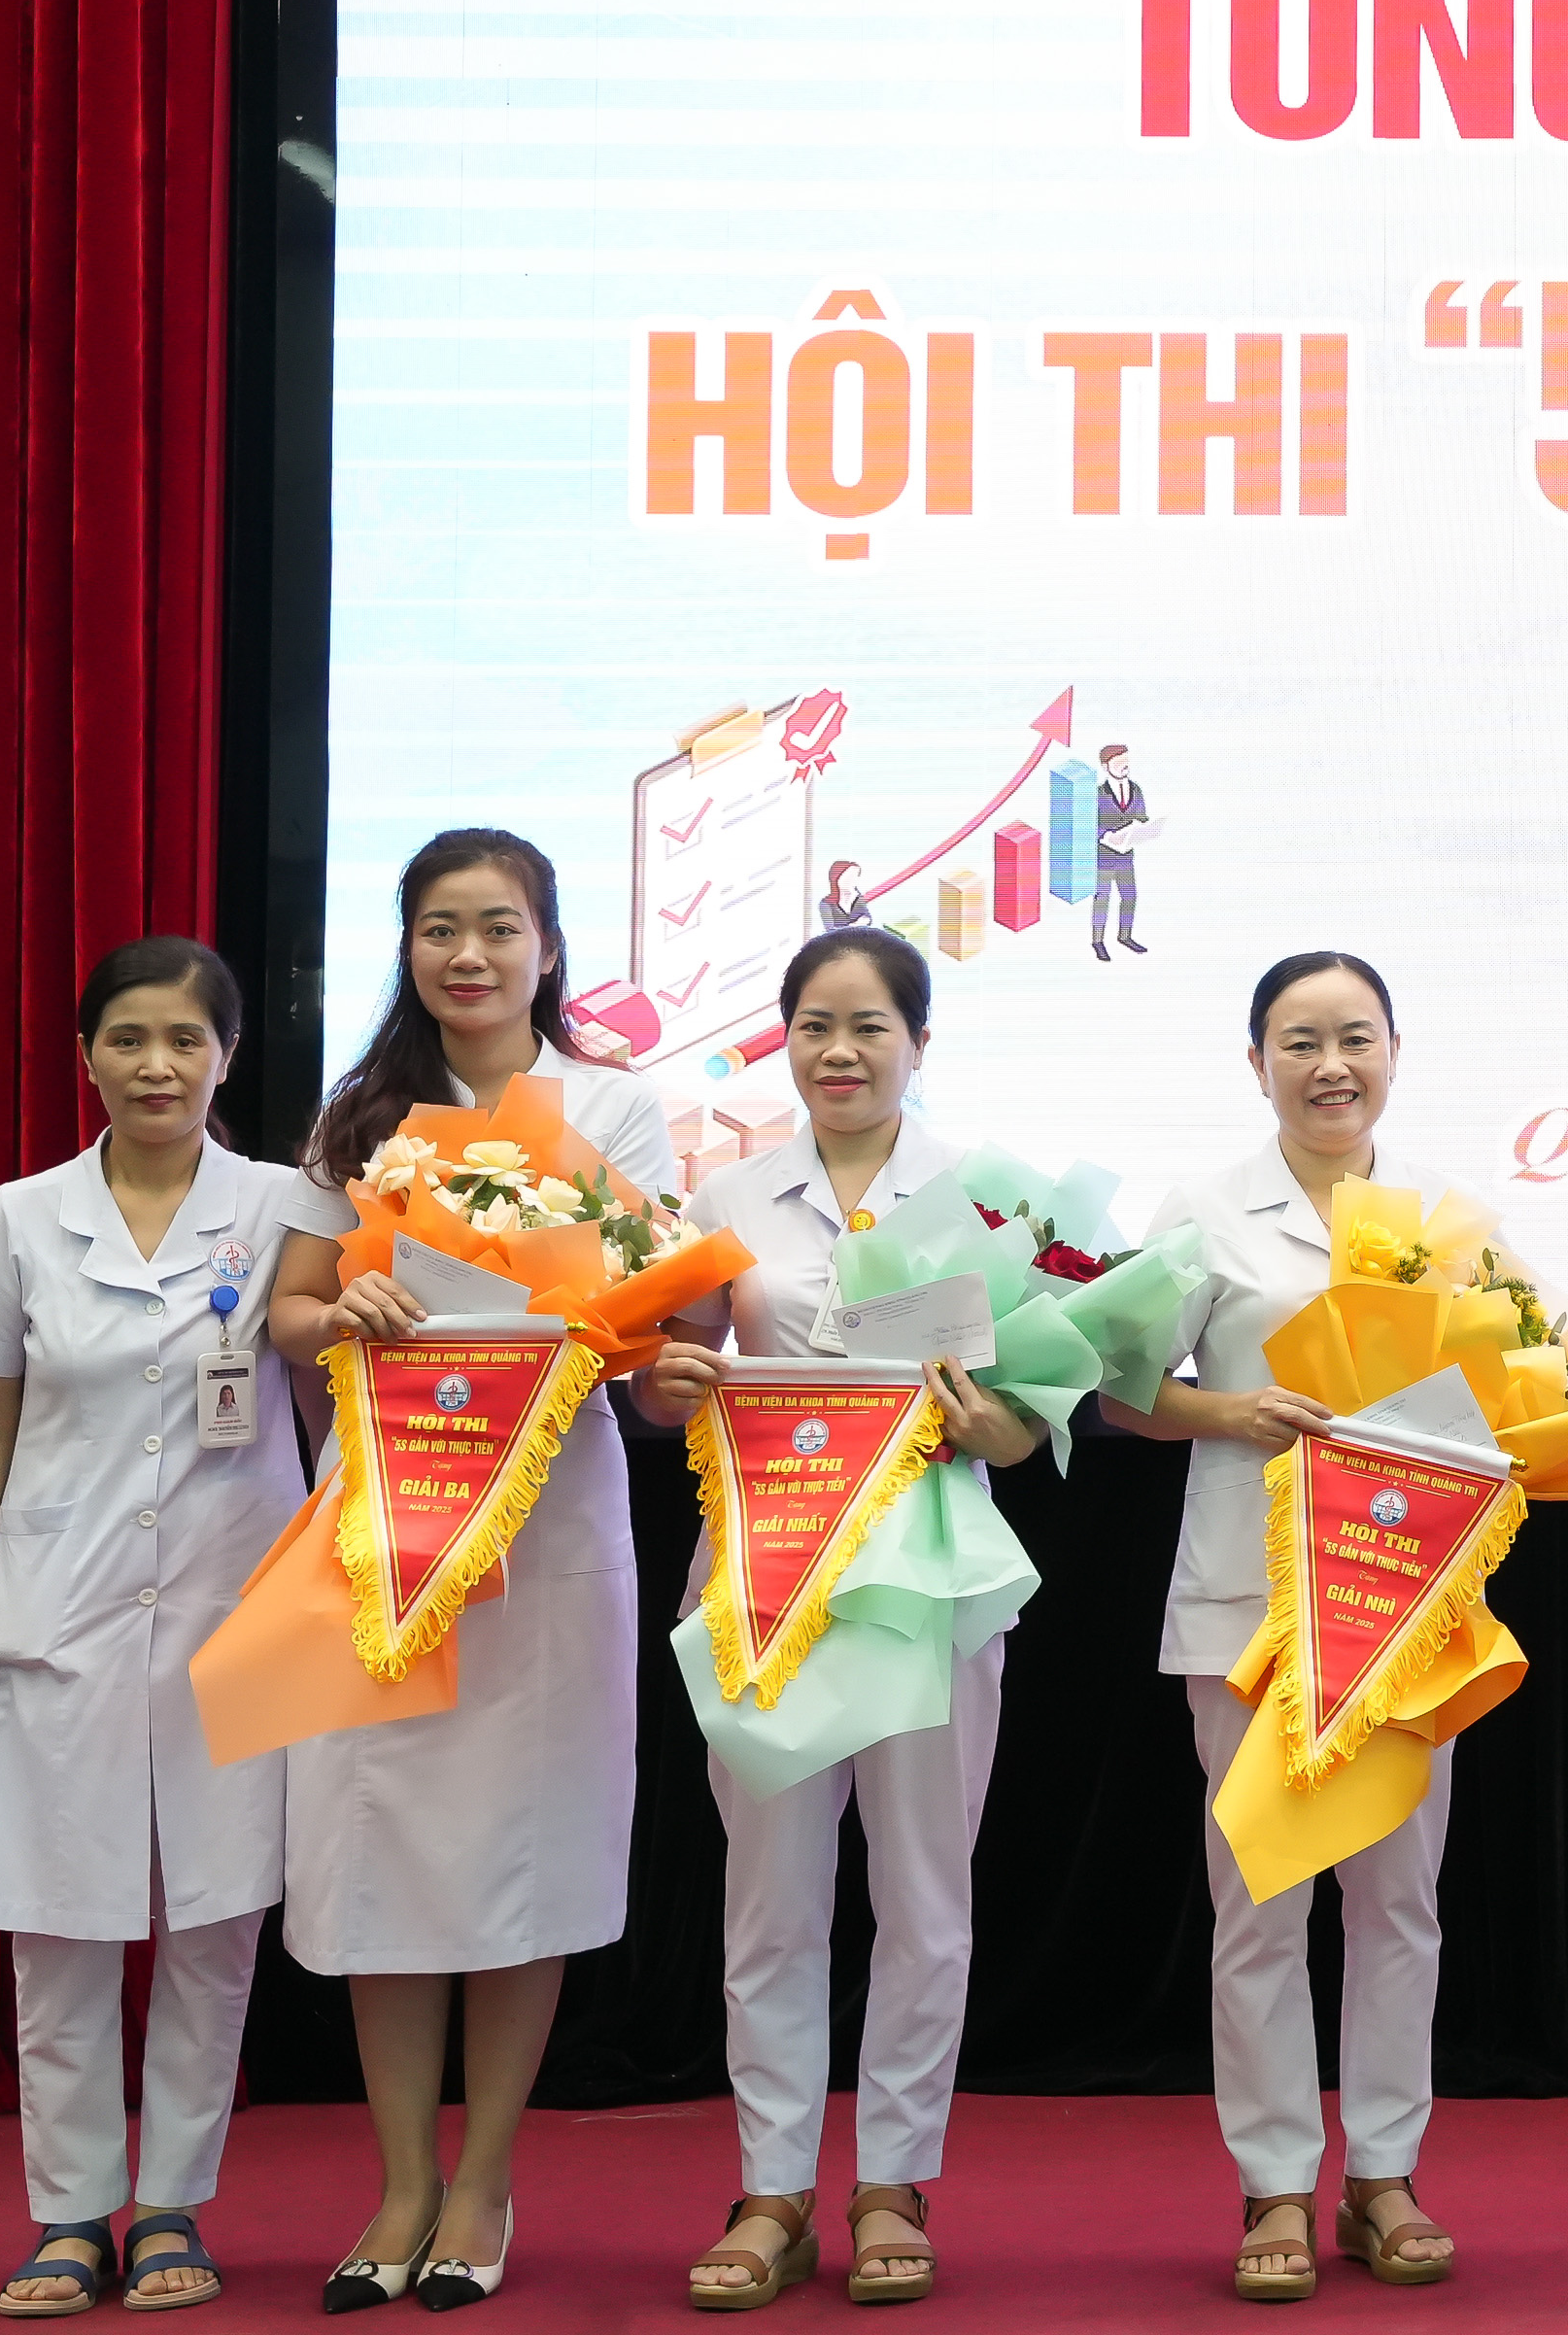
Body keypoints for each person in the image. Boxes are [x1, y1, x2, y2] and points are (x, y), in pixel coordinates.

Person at [262, 829, 682, 2314]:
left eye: (500, 927)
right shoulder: (362, 1114)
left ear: (548, 949)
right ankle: (400, 2184)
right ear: (408, 948)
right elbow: (289, 1313)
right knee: (381, 1838)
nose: (471, 956)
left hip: (548, 1525)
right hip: (386, 1510)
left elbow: (640, 1322)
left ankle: (485, 2178)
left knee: (519, 1840)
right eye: (441, 928)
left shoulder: (614, 1108)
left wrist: (571, 1314)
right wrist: (350, 1309)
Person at [649, 931, 1038, 2311]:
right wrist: (669, 1382)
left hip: (928, 1579)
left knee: (926, 1896)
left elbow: (1029, 1415)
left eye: (871, 1025)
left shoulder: (989, 1199)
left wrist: (986, 1421)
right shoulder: (727, 1192)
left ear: (919, 1042)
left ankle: (892, 2183)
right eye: (815, 1024)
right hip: (767, 1577)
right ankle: (771, 2191)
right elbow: (663, 1376)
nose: (841, 1051)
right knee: (770, 1901)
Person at [0, 940, 298, 2318]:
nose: (157, 1066)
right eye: (129, 1039)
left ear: (227, 1057)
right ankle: (72, 2214)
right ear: (86, 1057)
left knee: (215, 1920)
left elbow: (336, 1368)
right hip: (57, 1615)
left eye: (186, 1040)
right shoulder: (23, 1217)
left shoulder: (283, 1208)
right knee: (59, 1923)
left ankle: (174, 2204)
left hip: (234, 1614)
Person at [1122, 951, 1469, 2300]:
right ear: (1257, 1060)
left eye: (1356, 1038)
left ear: (1396, 1051)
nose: (1332, 1066)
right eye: (1300, 1041)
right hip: (1249, 1603)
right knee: (1259, 1900)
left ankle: (1384, 2175)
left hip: (1405, 1602)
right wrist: (1232, 1410)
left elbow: (1514, 1387)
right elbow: (1120, 1388)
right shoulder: (1205, 1211)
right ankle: (1272, 2180)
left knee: (1400, 1902)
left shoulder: (1445, 1216)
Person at [1091, 744, 1152, 960]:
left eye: (1126, 761)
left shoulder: (1136, 789)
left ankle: (1125, 936)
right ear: (1105, 766)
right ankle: (1098, 941)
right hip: (1104, 858)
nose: (1124, 766)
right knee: (1102, 899)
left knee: (1129, 897)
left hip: (1126, 856)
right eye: (1118, 762)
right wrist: (1106, 835)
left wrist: (1142, 827)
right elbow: (1089, 824)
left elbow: (1142, 816)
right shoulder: (1098, 793)